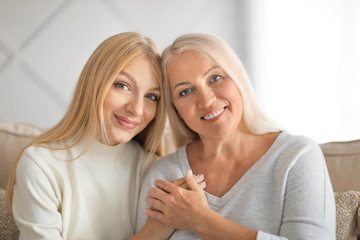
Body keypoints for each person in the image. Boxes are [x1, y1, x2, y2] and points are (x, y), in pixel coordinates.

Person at [136, 33, 336, 239]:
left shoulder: (297, 156)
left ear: (238, 78)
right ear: (175, 109)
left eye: (215, 78)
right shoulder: (163, 175)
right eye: (186, 91)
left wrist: (202, 221)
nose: (206, 100)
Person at [6, 32, 201, 240]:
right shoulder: (40, 165)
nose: (136, 109)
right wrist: (152, 233)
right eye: (123, 85)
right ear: (94, 83)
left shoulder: (152, 169)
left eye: (151, 96)